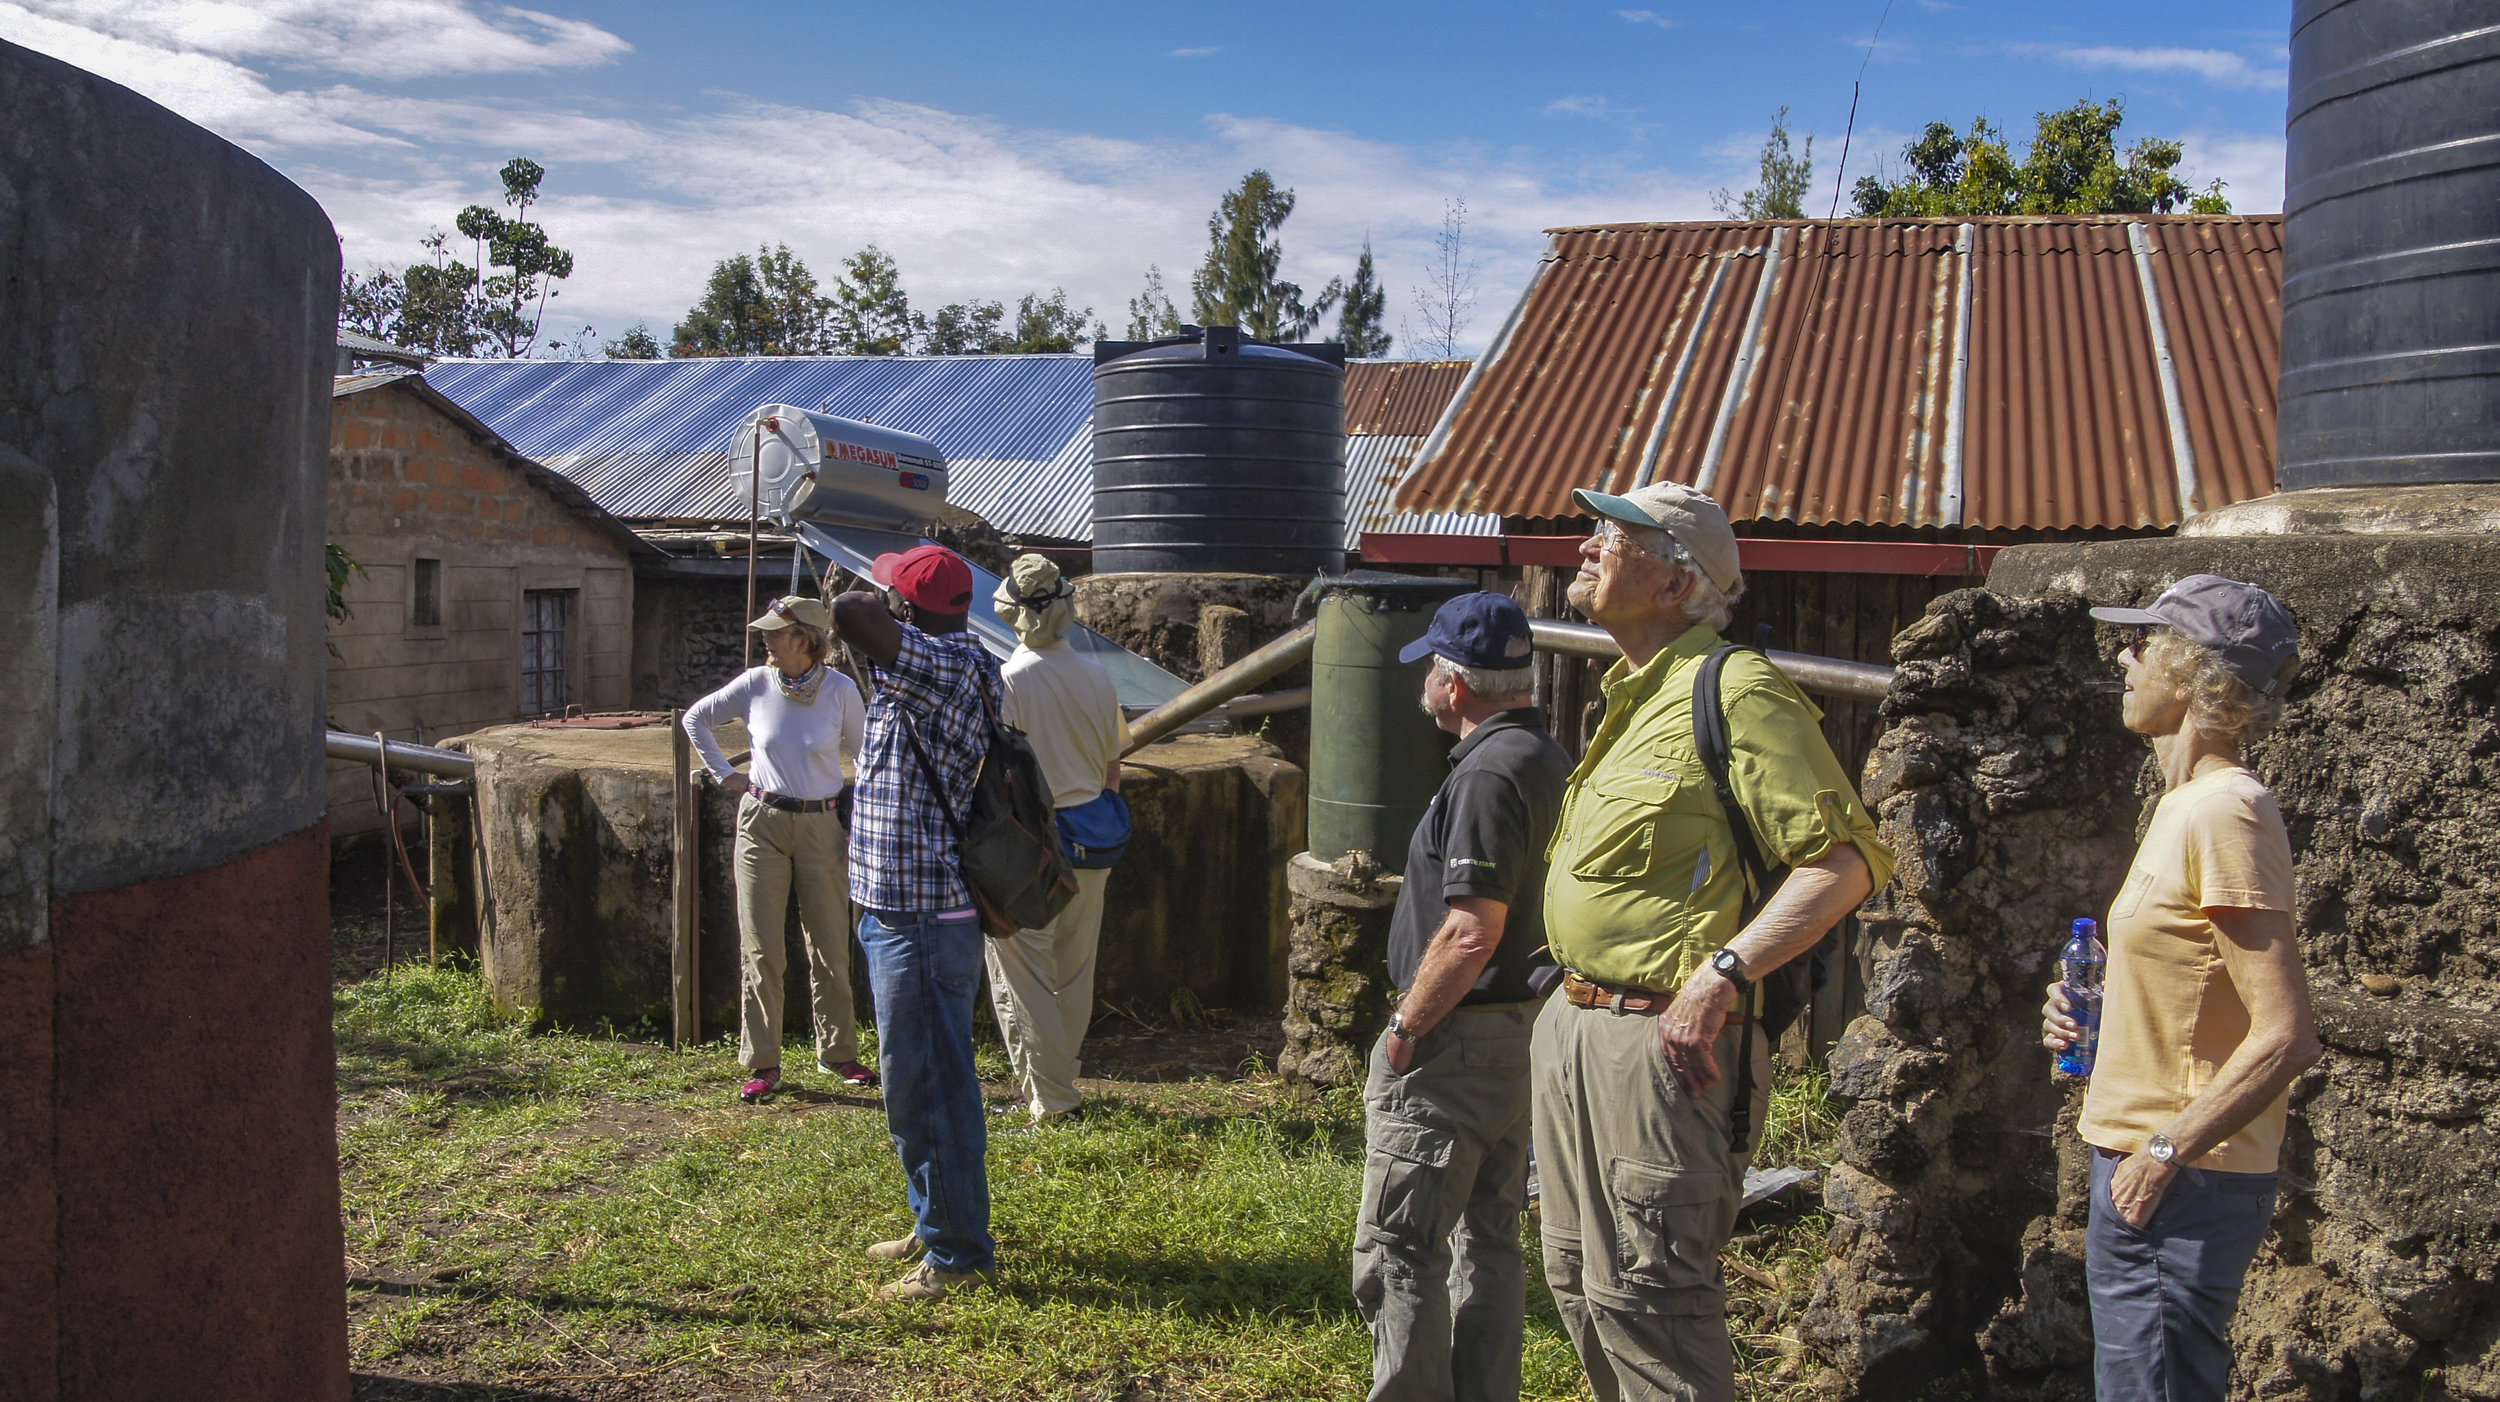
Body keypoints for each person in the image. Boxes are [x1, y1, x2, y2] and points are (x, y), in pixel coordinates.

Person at [1535, 481, 1893, 1402]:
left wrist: (1724, 973)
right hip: (1578, 1028)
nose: (1587, 546)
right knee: (1580, 1288)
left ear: (1672, 582)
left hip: (1665, 1046)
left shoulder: (1734, 688)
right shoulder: (1629, 692)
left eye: (1616, 538)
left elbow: (1845, 862)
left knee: (1650, 1301)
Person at [2042, 574, 2321, 1402]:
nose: (2124, 659)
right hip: (2146, 1165)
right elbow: (2195, 995)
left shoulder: (2226, 812)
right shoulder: (2182, 807)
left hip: (2179, 1179)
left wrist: (2164, 1153)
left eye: (2143, 643)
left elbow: (2287, 1033)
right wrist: (2088, 1014)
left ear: (2195, 671)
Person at [1351, 591, 1573, 1402]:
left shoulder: (1486, 774)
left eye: (1432, 671)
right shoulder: (1547, 758)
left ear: (1453, 684)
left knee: (1400, 1247)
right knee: (1491, 1237)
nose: (1428, 686)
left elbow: (1471, 930)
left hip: (1458, 1037)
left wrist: (1408, 1024)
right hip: (1520, 1030)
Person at [827, 544, 1004, 1302]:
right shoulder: (939, 663)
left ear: (911, 610)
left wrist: (871, 592)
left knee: (928, 1083)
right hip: (902, 908)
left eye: (894, 592)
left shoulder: (948, 665)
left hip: (925, 917)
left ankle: (957, 1253)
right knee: (915, 1078)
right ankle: (935, 1216)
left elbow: (847, 613)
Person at [680, 595, 875, 1103]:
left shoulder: (840, 690)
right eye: (766, 631)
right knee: (761, 947)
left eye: (777, 631)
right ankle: (762, 1062)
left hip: (822, 823)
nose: (765, 638)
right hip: (761, 823)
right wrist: (726, 774)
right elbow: (695, 718)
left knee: (830, 942)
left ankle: (838, 1052)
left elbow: (868, 757)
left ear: (807, 639)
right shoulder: (756, 683)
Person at [984, 554, 1128, 1126]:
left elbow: (1001, 773)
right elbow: (1114, 768)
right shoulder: (1098, 676)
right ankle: (1058, 1073)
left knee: (1024, 971)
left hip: (1033, 842)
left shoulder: (1011, 680)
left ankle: (1054, 1096)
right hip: (1096, 833)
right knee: (1074, 966)